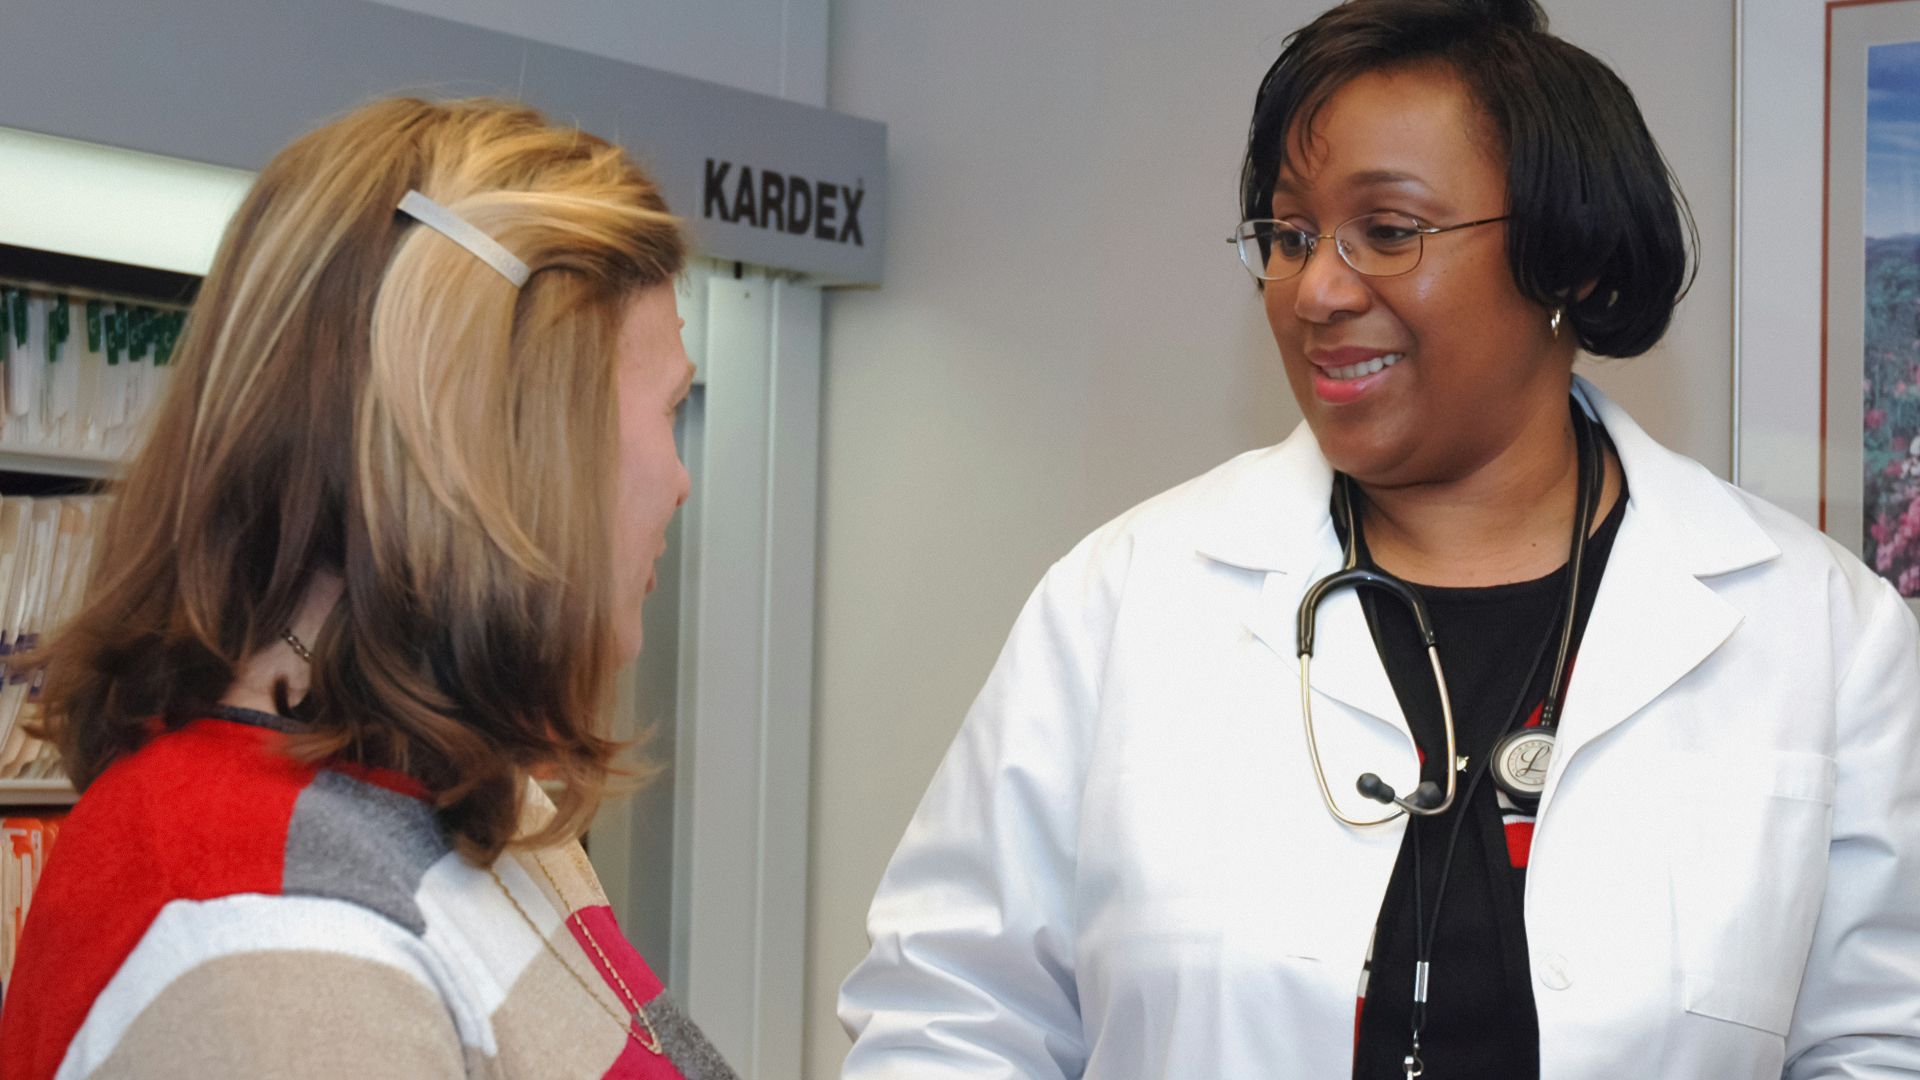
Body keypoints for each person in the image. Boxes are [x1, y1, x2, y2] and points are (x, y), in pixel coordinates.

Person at [839, 1, 1920, 1077]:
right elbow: (950, 1018)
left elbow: (1882, 1043)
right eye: (1290, 235)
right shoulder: (1124, 601)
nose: (1315, 289)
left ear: (1572, 265)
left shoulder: (1820, 634)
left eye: (1389, 232)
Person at [0, 97, 735, 1080]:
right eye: (668, 408)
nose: (679, 479)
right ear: (512, 450)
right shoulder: (262, 933)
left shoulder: (468, 796)